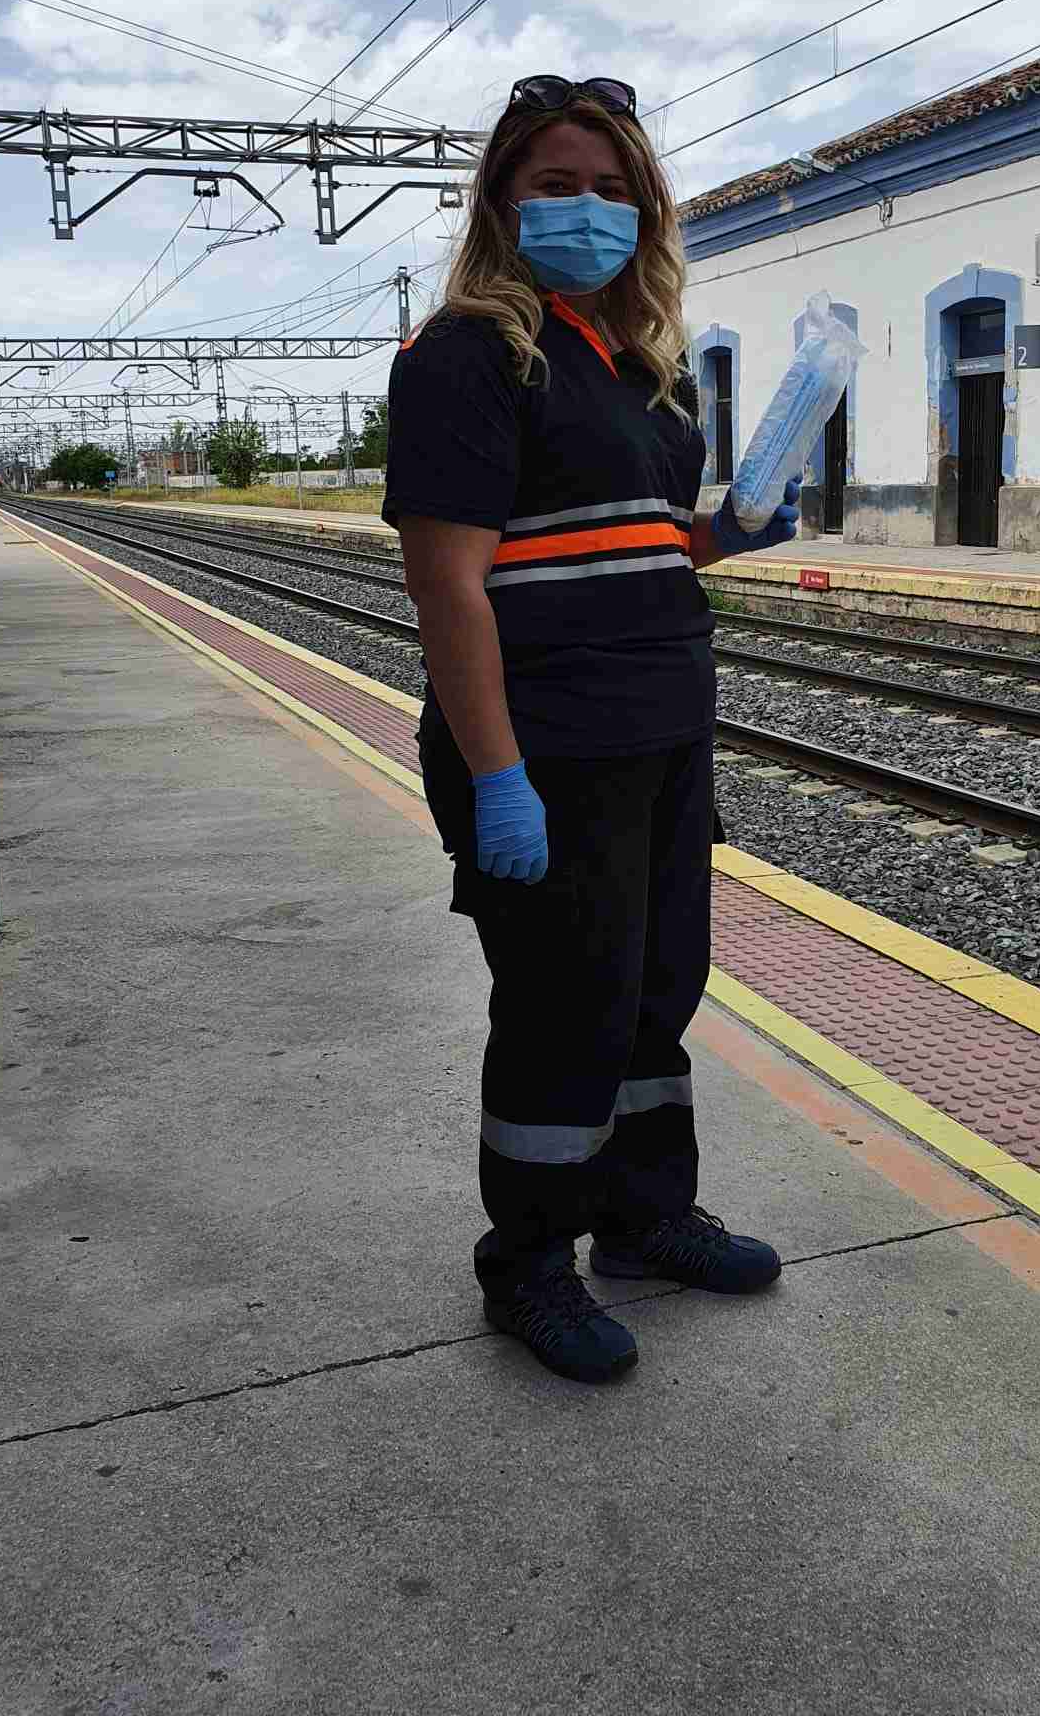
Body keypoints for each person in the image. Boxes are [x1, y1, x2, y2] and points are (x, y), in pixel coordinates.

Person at [382, 74, 801, 1386]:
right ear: (504, 200)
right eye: (555, 183)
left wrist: (715, 534)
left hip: (665, 735)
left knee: (653, 997)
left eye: (611, 188)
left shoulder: (637, 366)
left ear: (646, 209)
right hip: (547, 750)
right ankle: (527, 1266)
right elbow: (450, 580)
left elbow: (620, 538)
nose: (585, 208)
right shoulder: (467, 354)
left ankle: (641, 1218)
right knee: (564, 1013)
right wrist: (495, 778)